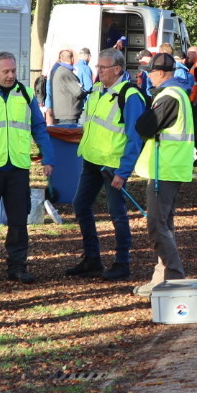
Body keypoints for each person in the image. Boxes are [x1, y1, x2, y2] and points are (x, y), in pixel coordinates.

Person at [67, 48, 146, 281]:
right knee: (80, 205)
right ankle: (92, 259)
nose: (98, 71)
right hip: (92, 161)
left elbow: (135, 137)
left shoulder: (130, 96)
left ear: (117, 69)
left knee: (117, 215)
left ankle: (123, 262)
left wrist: (123, 171)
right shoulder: (98, 90)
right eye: (98, 67)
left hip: (113, 166)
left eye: (103, 68)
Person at [0, 51, 53, 284]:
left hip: (18, 167)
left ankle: (18, 266)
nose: (11, 75)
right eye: (6, 72)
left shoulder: (25, 93)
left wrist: (48, 157)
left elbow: (39, 128)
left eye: (13, 71)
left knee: (18, 221)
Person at [131, 53, 194, 296]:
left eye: (149, 72)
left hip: (164, 170)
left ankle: (174, 279)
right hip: (171, 168)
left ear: (159, 73)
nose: (147, 76)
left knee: (157, 226)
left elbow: (143, 126)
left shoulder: (168, 96)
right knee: (164, 226)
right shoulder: (178, 93)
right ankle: (161, 280)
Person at [44, 48, 85, 125]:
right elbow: (78, 92)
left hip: (59, 112)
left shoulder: (56, 70)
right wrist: (84, 92)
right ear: (72, 58)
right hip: (68, 114)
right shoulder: (66, 72)